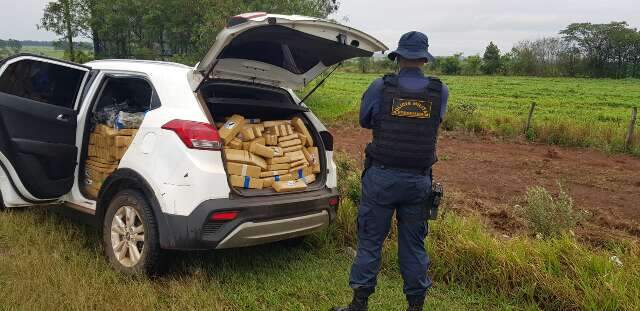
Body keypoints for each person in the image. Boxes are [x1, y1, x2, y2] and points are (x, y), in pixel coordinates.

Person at [333, 31, 449, 311]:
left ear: (398, 58)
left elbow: (364, 121)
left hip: (381, 178)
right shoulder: (439, 91)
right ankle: (415, 306)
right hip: (418, 181)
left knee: (370, 241)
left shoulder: (380, 87)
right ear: (424, 59)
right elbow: (437, 121)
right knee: (413, 246)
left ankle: (359, 305)